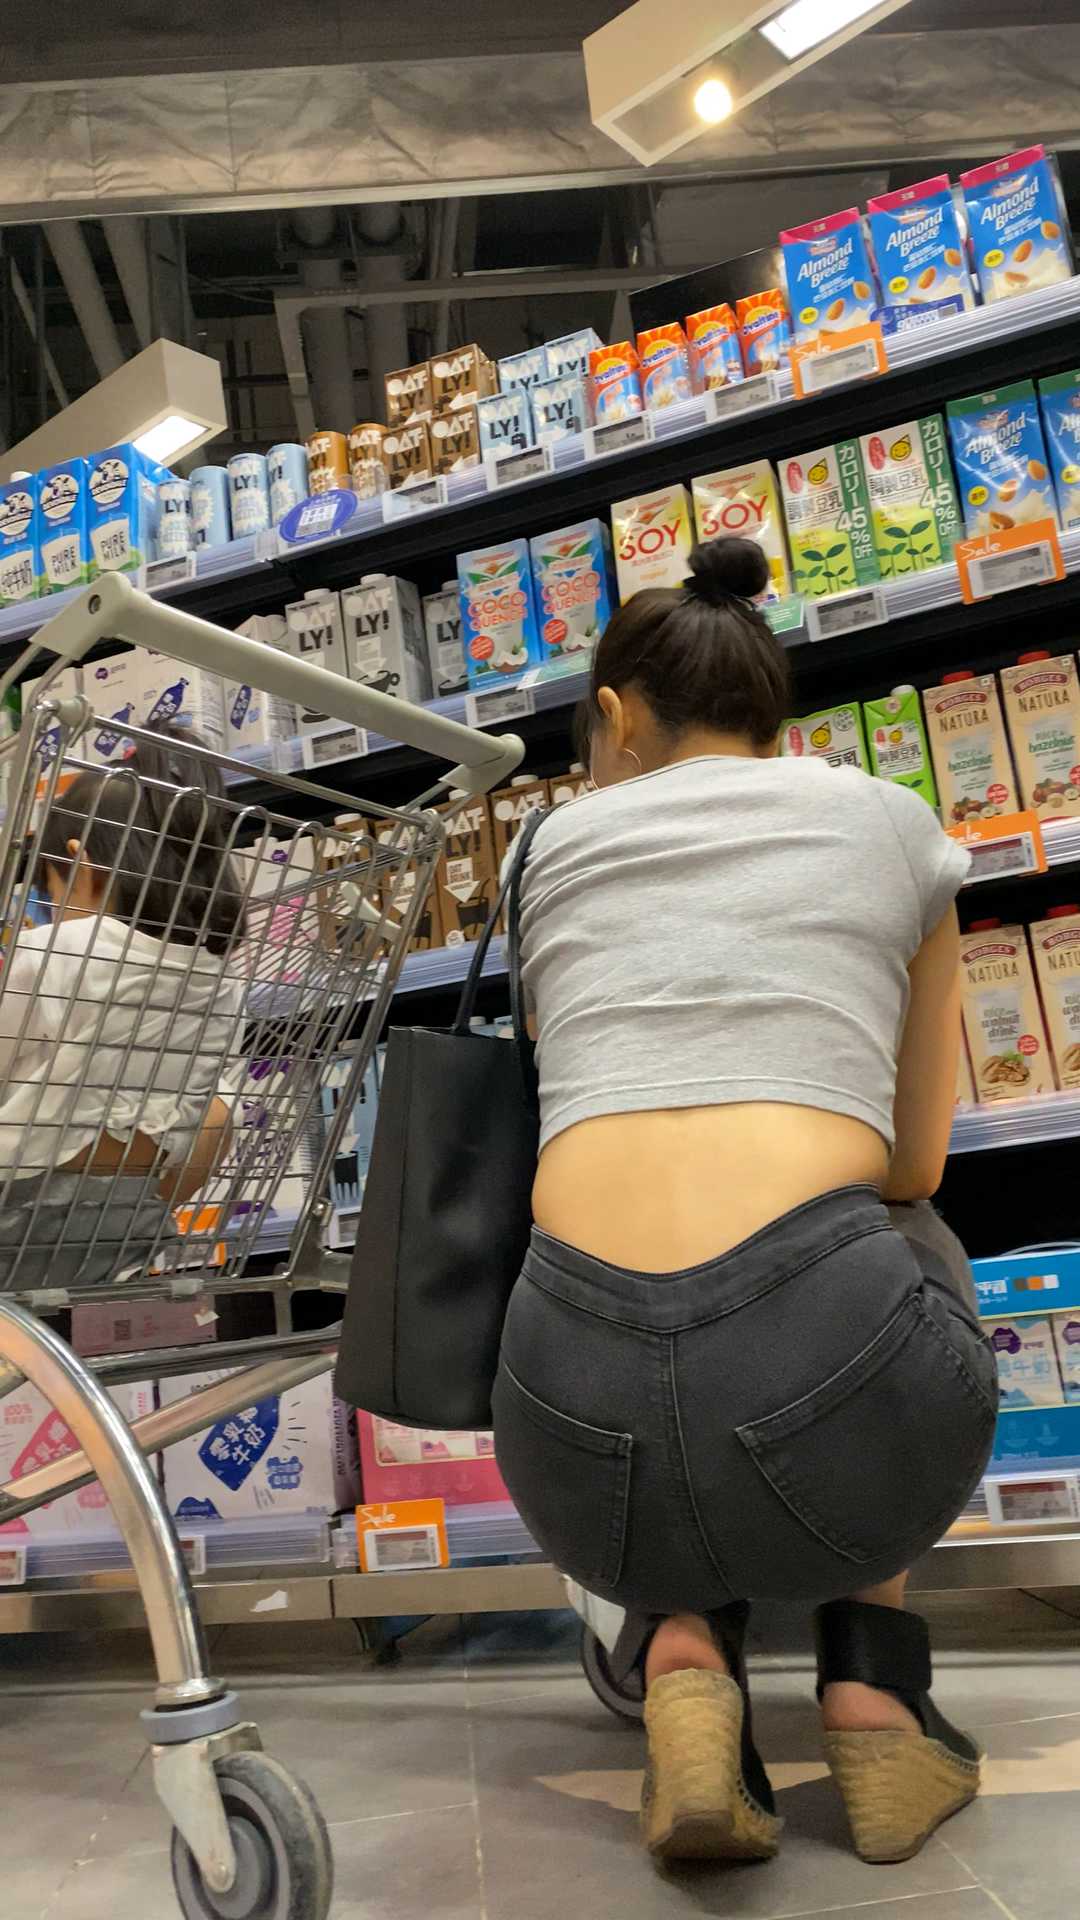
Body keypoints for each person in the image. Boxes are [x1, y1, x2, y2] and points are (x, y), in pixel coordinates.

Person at [491, 537, 998, 1869]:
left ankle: (681, 1654)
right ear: (776, 716)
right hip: (834, 1406)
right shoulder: (890, 822)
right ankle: (876, 1695)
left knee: (643, 1253)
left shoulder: (547, 848)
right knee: (905, 1234)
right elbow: (914, 1162)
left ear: (613, 717)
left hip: (568, 1438)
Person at [0, 725, 249, 1291]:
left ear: (80, 863)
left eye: (50, 891)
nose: (50, 909)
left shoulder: (55, 949)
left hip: (19, 1205)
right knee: (218, 1108)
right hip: (126, 1221)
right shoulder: (218, 979)